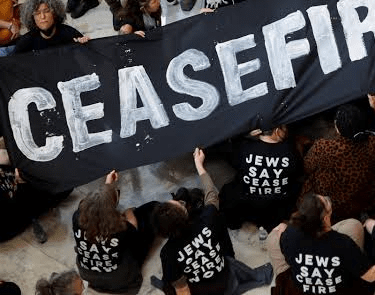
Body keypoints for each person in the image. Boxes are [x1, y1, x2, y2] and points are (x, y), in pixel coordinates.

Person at [152, 148, 273, 295]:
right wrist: (199, 164)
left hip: (202, 291)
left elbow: (181, 287)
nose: (180, 202)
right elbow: (211, 193)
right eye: (180, 204)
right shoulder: (208, 218)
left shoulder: (167, 253)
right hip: (226, 278)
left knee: (168, 281)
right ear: (186, 214)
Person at [266, 191, 375, 295]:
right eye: (326, 202)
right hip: (343, 290)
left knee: (273, 236)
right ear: (325, 218)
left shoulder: (290, 234)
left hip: (300, 288)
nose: (328, 199)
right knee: (353, 225)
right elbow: (371, 275)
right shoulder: (342, 244)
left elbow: (285, 242)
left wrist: (285, 228)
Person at [300, 95, 375, 222]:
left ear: (337, 129)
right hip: (360, 201)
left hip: (331, 203)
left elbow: (306, 167)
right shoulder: (373, 145)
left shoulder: (324, 148)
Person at [73, 170, 158, 294]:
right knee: (151, 211)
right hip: (121, 279)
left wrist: (108, 186)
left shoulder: (77, 217)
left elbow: (98, 205)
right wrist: (129, 212)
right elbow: (133, 229)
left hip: (88, 275)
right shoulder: (120, 228)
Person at [219, 125, 300, 233]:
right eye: (284, 127)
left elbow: (232, 158)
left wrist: (246, 135)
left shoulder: (244, 147)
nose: (286, 130)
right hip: (277, 205)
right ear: (277, 131)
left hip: (247, 203)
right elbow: (298, 171)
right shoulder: (290, 150)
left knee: (228, 191)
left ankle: (233, 223)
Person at [0, 147, 70, 243]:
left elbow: (5, 156)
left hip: (20, 176)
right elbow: (23, 205)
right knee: (64, 184)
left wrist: (11, 158)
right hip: (25, 199)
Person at [14, 0, 88, 53]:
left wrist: (84, 43)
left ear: (54, 14)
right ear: (32, 18)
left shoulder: (69, 33)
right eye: (37, 13)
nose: (42, 16)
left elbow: (87, 54)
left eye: (46, 11)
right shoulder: (26, 41)